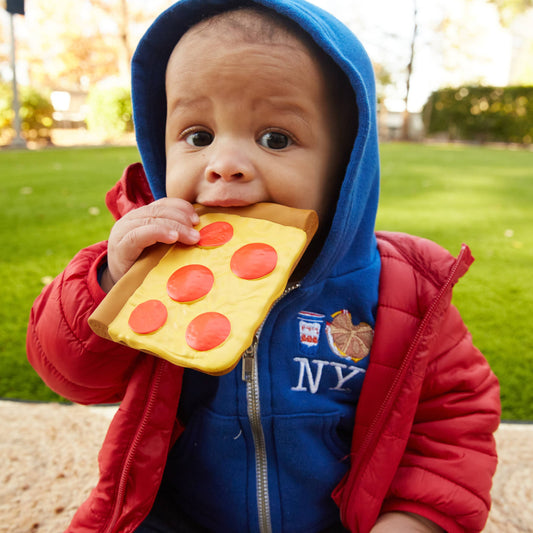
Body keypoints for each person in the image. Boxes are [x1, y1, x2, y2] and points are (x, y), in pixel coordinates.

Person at [27, 1, 500, 532]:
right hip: (177, 518)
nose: (223, 164)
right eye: (198, 136)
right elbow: (72, 376)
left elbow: (452, 424)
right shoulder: (153, 268)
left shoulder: (406, 291)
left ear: (347, 164)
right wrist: (111, 281)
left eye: (275, 138)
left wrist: (416, 518)